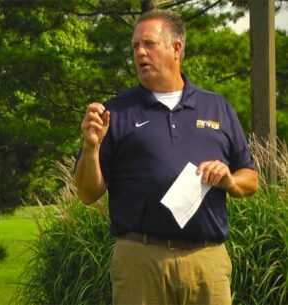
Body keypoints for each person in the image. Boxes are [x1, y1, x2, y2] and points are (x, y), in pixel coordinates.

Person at [74, 9, 258, 305]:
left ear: (176, 49)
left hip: (206, 262)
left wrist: (230, 181)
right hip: (140, 263)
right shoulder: (115, 113)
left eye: (149, 44)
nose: (139, 53)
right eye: (135, 46)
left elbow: (250, 178)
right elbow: (86, 193)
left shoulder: (217, 108)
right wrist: (91, 146)